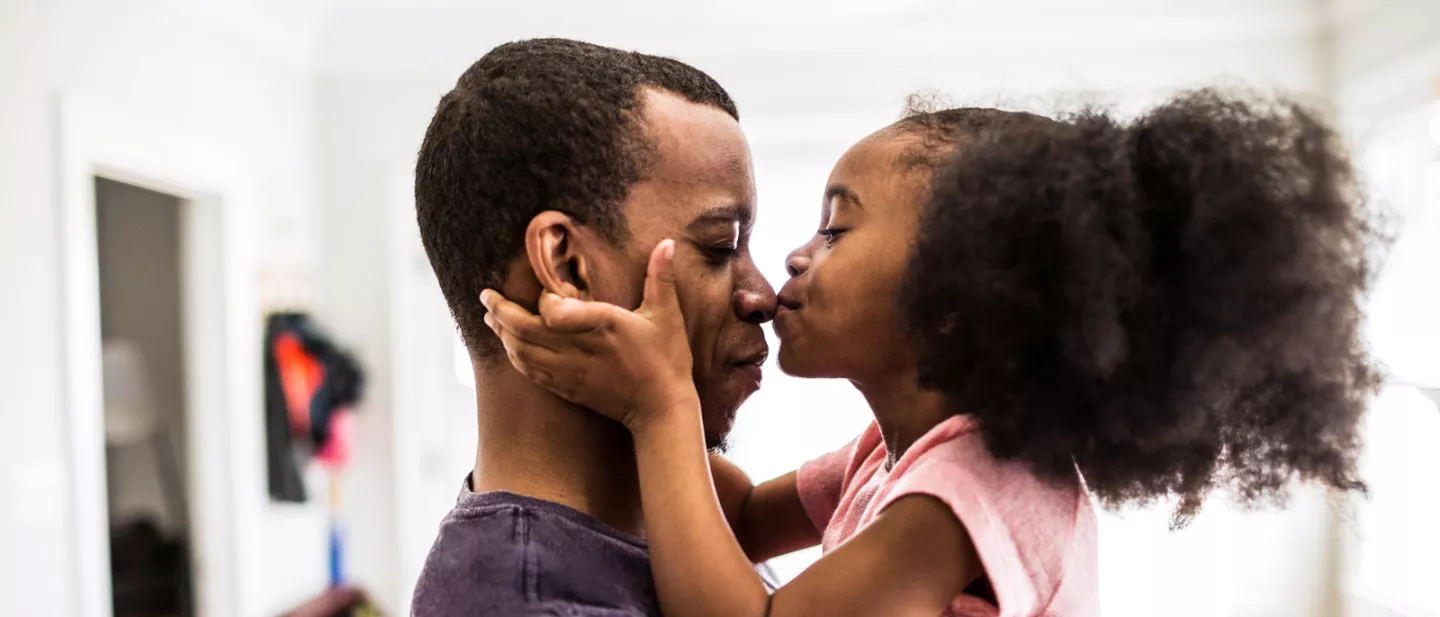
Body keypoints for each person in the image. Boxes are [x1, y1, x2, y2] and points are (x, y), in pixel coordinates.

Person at [482, 89, 1382, 616]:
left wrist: (661, 408)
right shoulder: (899, 451)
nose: (794, 257)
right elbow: (747, 512)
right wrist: (637, 381)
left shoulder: (965, 495)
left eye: (836, 230)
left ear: (956, 299)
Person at [409, 38, 777, 617]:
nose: (764, 296)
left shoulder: (693, 505)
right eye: (719, 246)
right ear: (567, 267)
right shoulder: (527, 604)